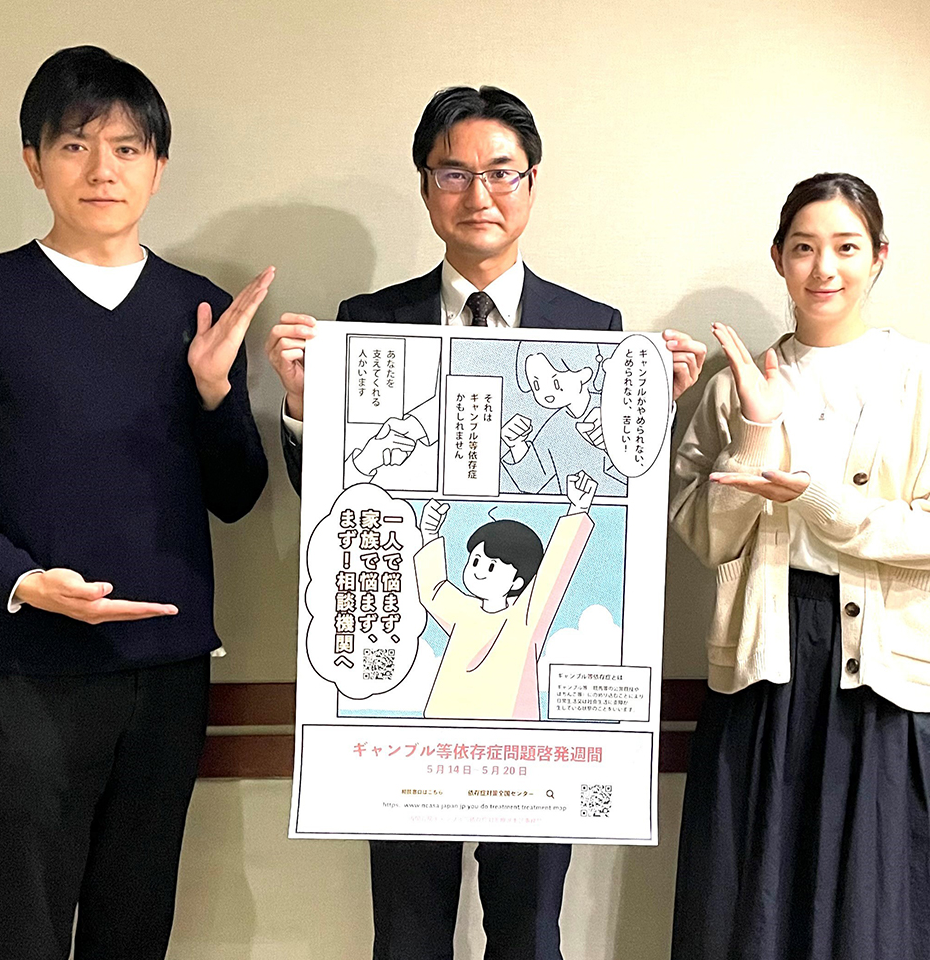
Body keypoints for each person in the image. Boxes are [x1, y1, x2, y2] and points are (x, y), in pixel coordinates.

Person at [267, 84, 705, 960]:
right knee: (407, 930)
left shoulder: (595, 329)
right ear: (426, 186)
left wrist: (650, 412)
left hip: (533, 735)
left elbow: (611, 500)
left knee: (529, 930)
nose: (480, 195)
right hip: (408, 727)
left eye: (502, 172)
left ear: (533, 183)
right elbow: (338, 509)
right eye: (454, 173)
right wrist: (306, 408)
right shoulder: (365, 323)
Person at [0, 46, 270, 960]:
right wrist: (22, 582)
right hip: (30, 671)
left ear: (158, 166)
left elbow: (238, 497)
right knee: (26, 930)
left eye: (128, 149)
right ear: (33, 160)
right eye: (74, 145)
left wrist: (216, 394)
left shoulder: (199, 308)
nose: (103, 170)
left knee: (135, 929)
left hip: (168, 670)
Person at [668, 172, 930, 960]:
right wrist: (754, 428)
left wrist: (820, 500)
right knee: (752, 905)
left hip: (879, 670)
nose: (825, 269)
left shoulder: (925, 377)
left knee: (878, 911)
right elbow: (706, 537)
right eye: (804, 248)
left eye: (846, 247)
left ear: (879, 256)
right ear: (778, 258)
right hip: (764, 661)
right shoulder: (733, 386)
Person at [417, 472, 597, 720]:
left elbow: (554, 573)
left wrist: (577, 509)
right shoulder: (463, 610)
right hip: (445, 721)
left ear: (518, 581)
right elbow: (433, 590)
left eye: (492, 567)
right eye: (476, 561)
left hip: (507, 726)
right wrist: (429, 533)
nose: (479, 571)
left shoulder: (525, 617)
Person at [502, 341, 627, 495]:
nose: (547, 394)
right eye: (537, 386)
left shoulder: (616, 409)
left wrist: (613, 447)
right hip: (576, 506)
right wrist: (517, 445)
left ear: (584, 374)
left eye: (556, 382)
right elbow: (532, 482)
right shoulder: (554, 428)